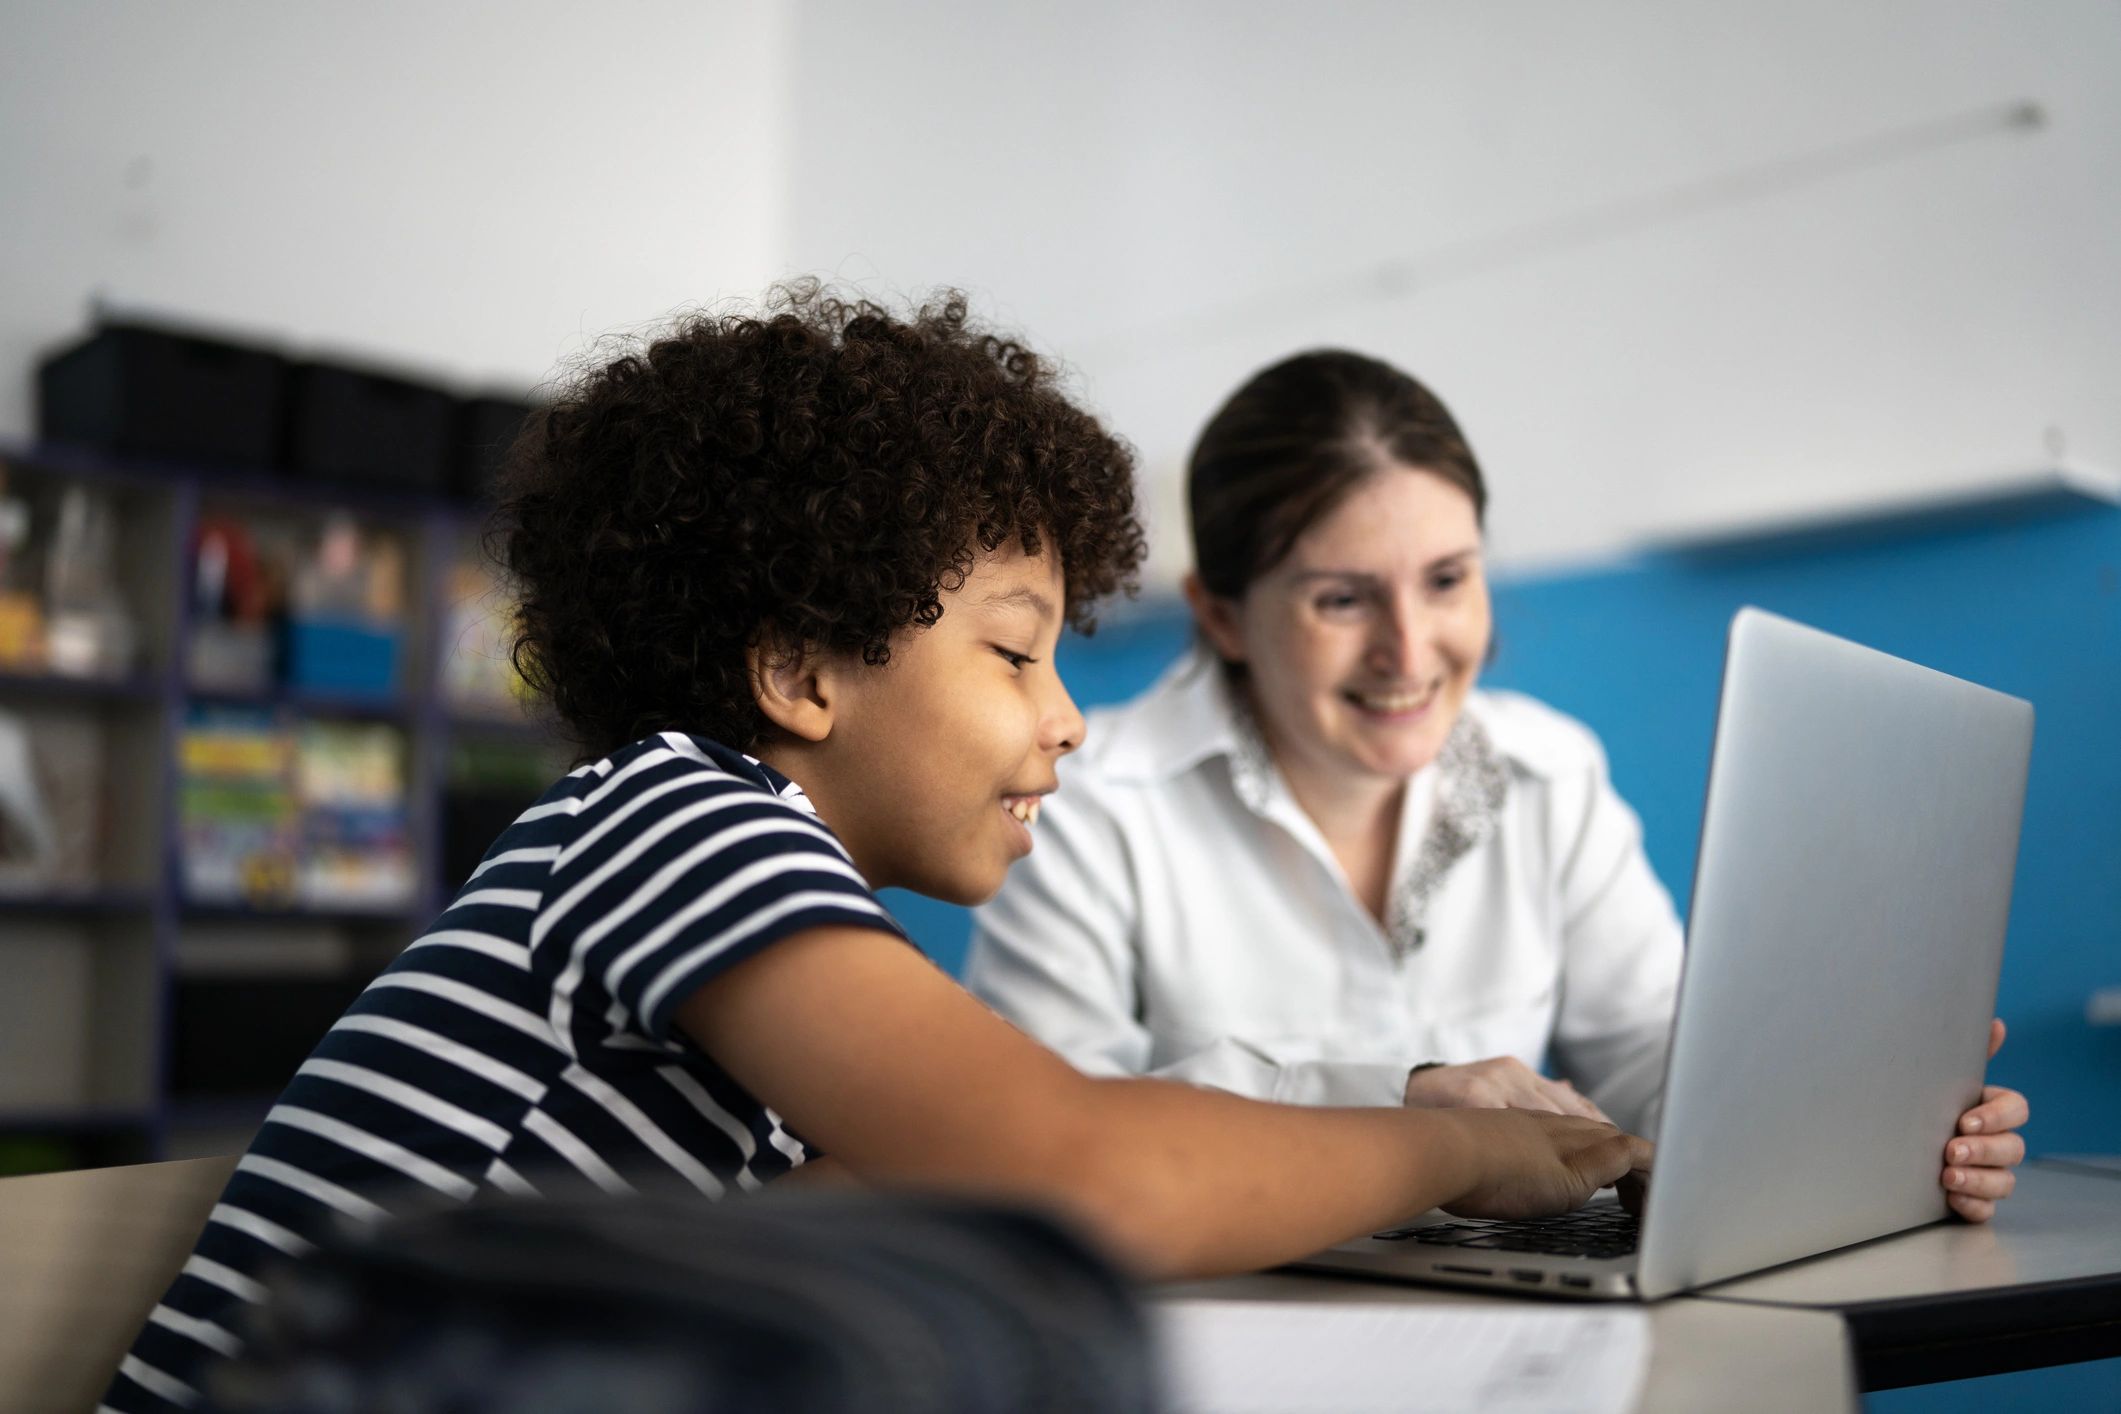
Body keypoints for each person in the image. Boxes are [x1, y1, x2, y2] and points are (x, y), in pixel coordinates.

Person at [107, 292, 1655, 1413]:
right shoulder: (676, 821)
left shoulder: (746, 903)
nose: (1069, 722)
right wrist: (1456, 1152)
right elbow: (1074, 1176)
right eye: (1016, 655)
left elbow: (977, 1170)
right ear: (803, 673)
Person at [966, 349, 2027, 1216]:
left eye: (1447, 580)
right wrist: (1408, 1104)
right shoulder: (1080, 796)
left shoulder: (1551, 773)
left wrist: (1864, 1122)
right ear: (1223, 614)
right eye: (1342, 599)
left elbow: (1665, 1069)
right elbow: (1041, 1138)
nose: (1410, 650)